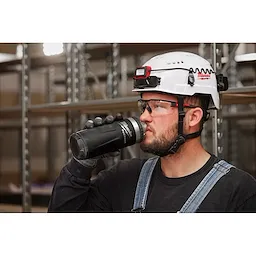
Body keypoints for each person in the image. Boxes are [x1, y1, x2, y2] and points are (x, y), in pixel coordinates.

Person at [48, 51, 256, 213]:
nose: (145, 117)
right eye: (144, 106)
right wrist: (81, 167)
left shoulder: (238, 192)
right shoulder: (123, 179)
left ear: (193, 117)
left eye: (157, 106)